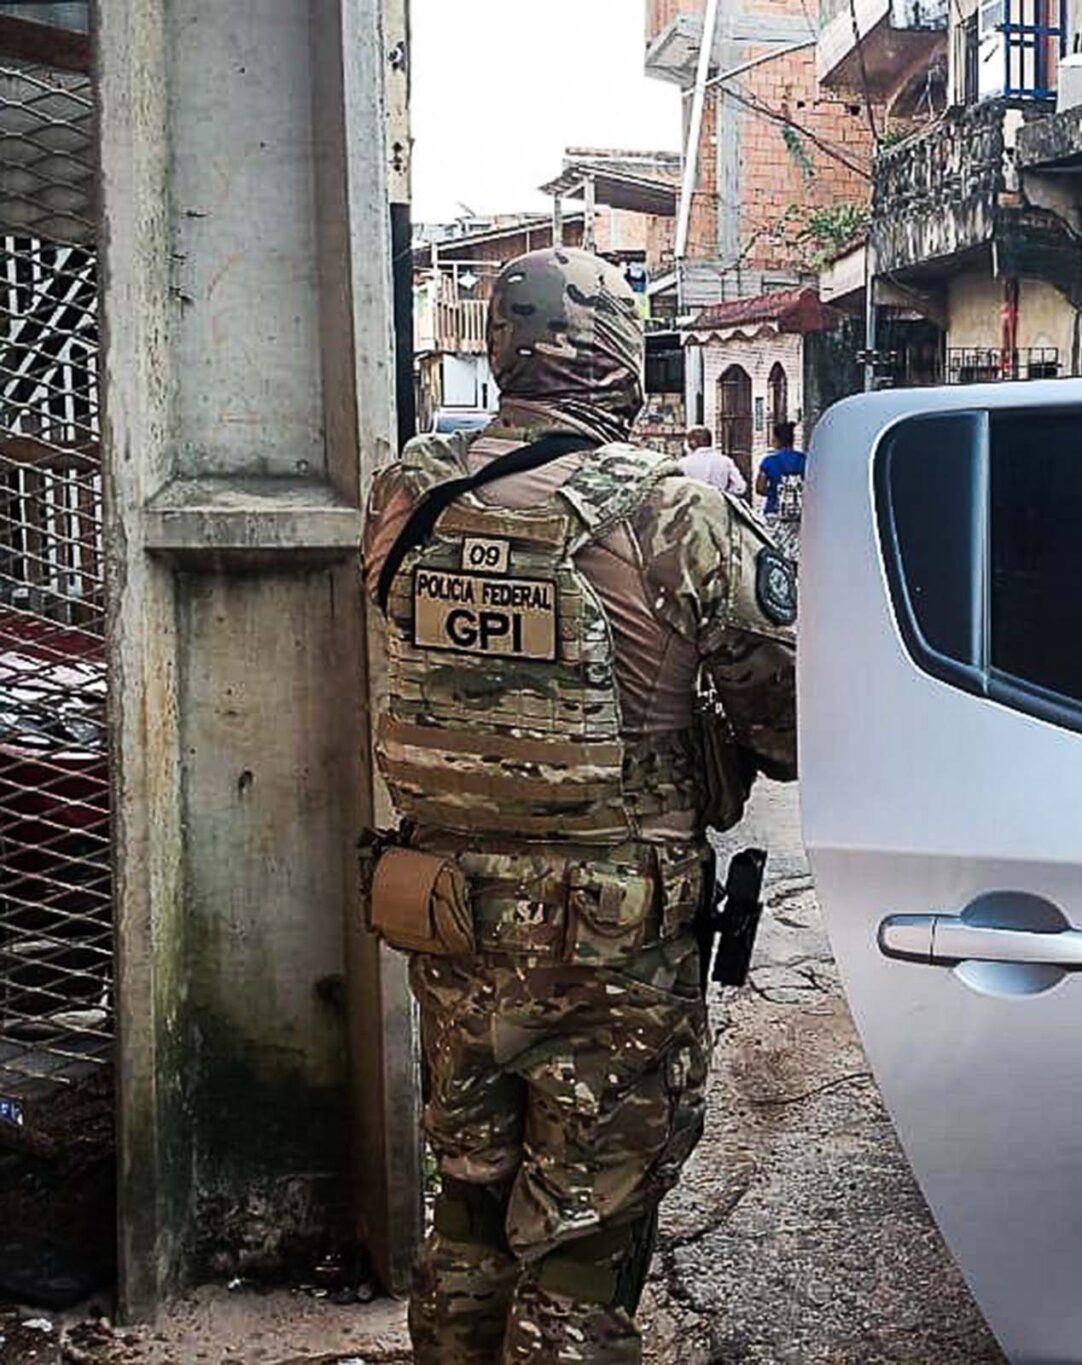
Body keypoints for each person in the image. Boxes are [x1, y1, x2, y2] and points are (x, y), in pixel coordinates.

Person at [360, 247, 797, 1364]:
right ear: (615, 352)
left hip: (445, 905)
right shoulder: (668, 513)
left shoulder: (412, 487)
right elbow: (787, 721)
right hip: (611, 927)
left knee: (468, 1193)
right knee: (585, 1222)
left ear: (504, 346)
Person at [678, 424, 748, 499]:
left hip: (692, 507)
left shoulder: (683, 464)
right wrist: (725, 495)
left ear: (693, 443)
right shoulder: (725, 461)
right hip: (718, 505)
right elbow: (740, 487)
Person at [755, 420, 805, 517]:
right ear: (792, 440)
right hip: (800, 511)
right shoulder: (804, 460)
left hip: (774, 509)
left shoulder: (768, 461)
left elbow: (760, 488)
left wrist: (775, 492)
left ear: (776, 440)